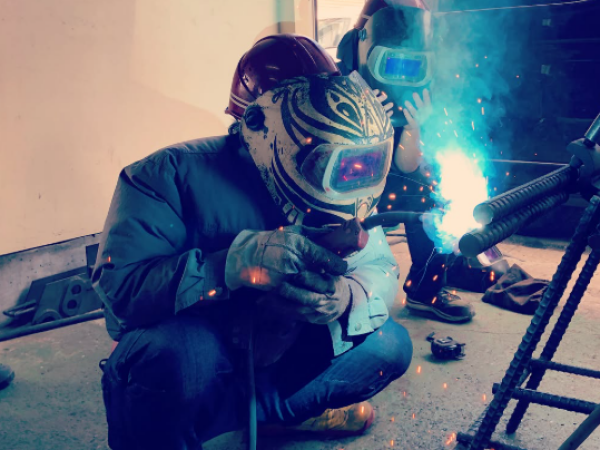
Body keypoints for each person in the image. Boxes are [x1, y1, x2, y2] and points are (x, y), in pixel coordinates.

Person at [93, 35, 413, 450]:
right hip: (203, 355)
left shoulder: (338, 170)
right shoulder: (163, 175)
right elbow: (119, 296)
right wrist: (230, 265)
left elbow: (380, 264)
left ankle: (278, 417)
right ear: (256, 123)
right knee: (178, 356)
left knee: (389, 345)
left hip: (276, 359)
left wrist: (347, 297)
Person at [337, 0, 476, 323]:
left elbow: (409, 167)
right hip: (345, 186)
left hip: (388, 185)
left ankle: (425, 291)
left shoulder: (412, 91)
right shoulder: (340, 84)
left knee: (431, 195)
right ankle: (336, 289)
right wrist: (366, 123)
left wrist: (413, 126)